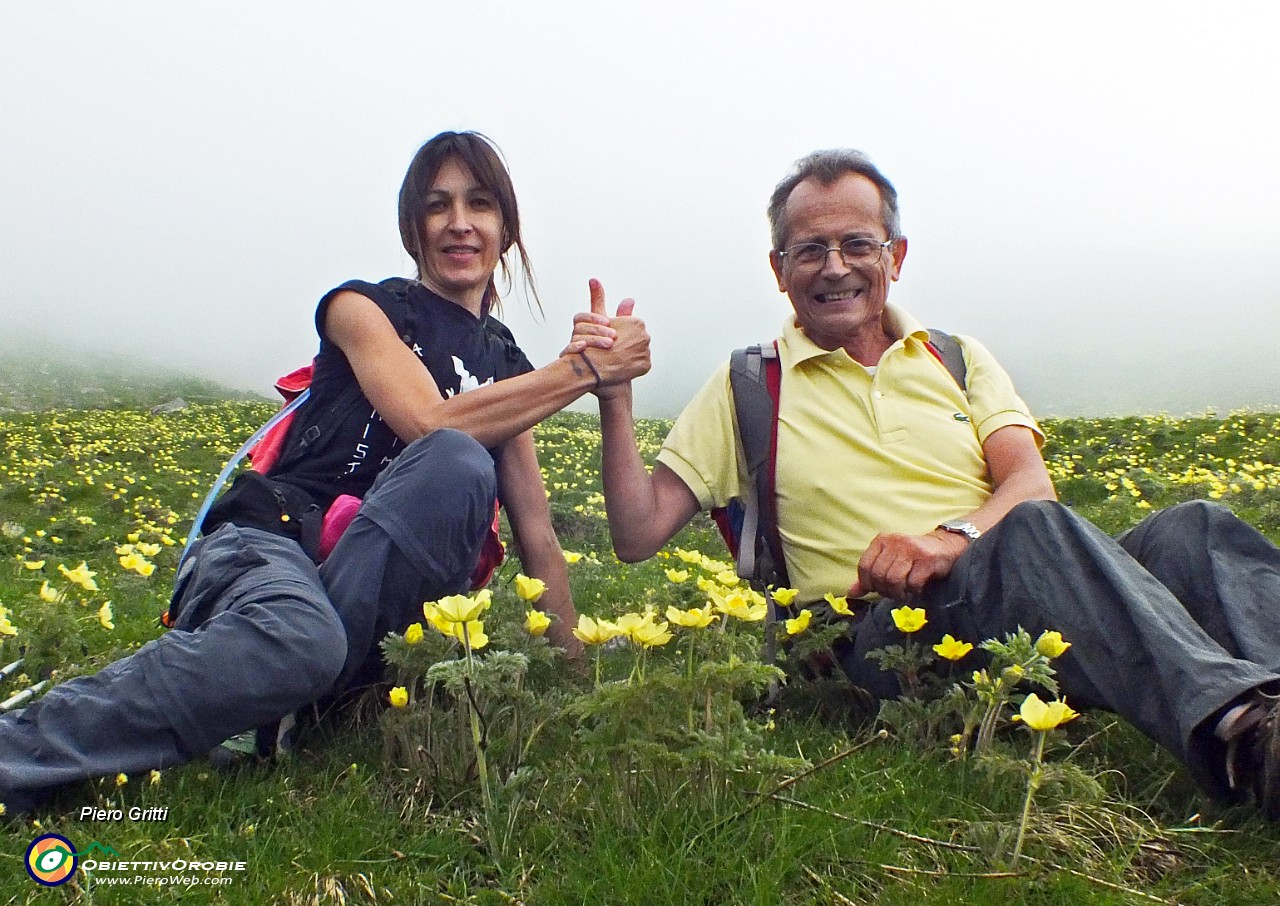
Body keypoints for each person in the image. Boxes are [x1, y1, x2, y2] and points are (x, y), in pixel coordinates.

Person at [576, 148, 1280, 819]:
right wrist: (613, 396)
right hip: (881, 638)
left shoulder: (956, 357)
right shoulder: (747, 385)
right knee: (1028, 537)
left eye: (858, 244)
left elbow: (1029, 483)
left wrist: (950, 541)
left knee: (1195, 528)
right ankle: (1241, 735)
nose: (835, 267)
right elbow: (637, 534)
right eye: (809, 250)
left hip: (1003, 577)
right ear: (778, 269)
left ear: (896, 256)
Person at [0, 131, 649, 813]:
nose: (460, 222)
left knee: (342, 602)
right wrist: (580, 370)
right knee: (324, 606)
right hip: (271, 545)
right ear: (413, 229)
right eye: (438, 206)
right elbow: (429, 422)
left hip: (372, 607)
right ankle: (22, 751)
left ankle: (280, 702)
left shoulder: (510, 370)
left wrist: (577, 698)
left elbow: (539, 541)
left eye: (480, 204)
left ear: (505, 230)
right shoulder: (361, 308)